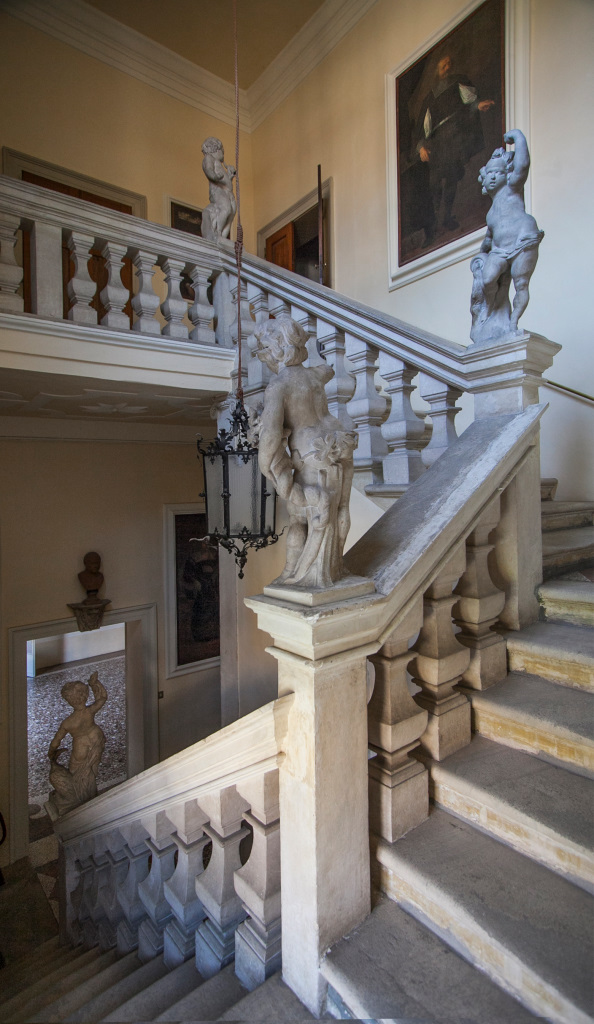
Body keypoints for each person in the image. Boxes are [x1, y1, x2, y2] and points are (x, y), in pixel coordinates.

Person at [253, 315, 356, 589]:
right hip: (340, 443)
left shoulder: (279, 386)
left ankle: (294, 573)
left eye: (266, 347)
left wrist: (265, 465)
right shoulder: (315, 376)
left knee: (299, 517)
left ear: (277, 348)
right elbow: (328, 370)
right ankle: (335, 567)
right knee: (341, 508)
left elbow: (271, 434)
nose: (265, 355)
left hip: (311, 453)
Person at [470, 128, 544, 343]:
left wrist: (518, 138)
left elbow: (522, 165)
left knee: (521, 284)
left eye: (498, 173)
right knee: (488, 279)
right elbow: (488, 239)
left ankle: (512, 322)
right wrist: (480, 256)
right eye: (490, 174)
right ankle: (491, 309)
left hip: (523, 239)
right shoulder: (490, 213)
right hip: (500, 249)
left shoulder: (512, 189)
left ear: (507, 174)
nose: (493, 177)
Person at [416, 54, 495, 240]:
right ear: (437, 71)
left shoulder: (457, 82)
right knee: (435, 182)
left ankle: (446, 217)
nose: (447, 68)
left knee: (452, 178)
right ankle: (434, 221)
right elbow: (423, 126)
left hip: (455, 137)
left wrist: (478, 105)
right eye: (443, 66)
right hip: (438, 142)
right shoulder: (430, 96)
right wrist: (421, 147)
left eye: (449, 64)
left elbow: (470, 102)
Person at [47, 671, 107, 817]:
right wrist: (95, 684)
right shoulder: (89, 711)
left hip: (80, 747)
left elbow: (56, 740)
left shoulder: (68, 722)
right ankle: (88, 796)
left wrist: (52, 751)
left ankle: (79, 798)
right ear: (85, 696)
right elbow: (102, 698)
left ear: (69, 700)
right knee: (91, 770)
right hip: (96, 740)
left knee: (76, 773)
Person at [200, 137, 237, 241]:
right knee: (226, 209)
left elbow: (225, 181)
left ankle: (223, 238)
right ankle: (218, 233)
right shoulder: (209, 158)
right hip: (218, 190)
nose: (223, 155)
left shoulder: (219, 164)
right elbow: (208, 169)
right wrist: (215, 176)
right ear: (215, 149)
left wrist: (230, 176)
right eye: (222, 151)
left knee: (231, 213)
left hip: (227, 192)